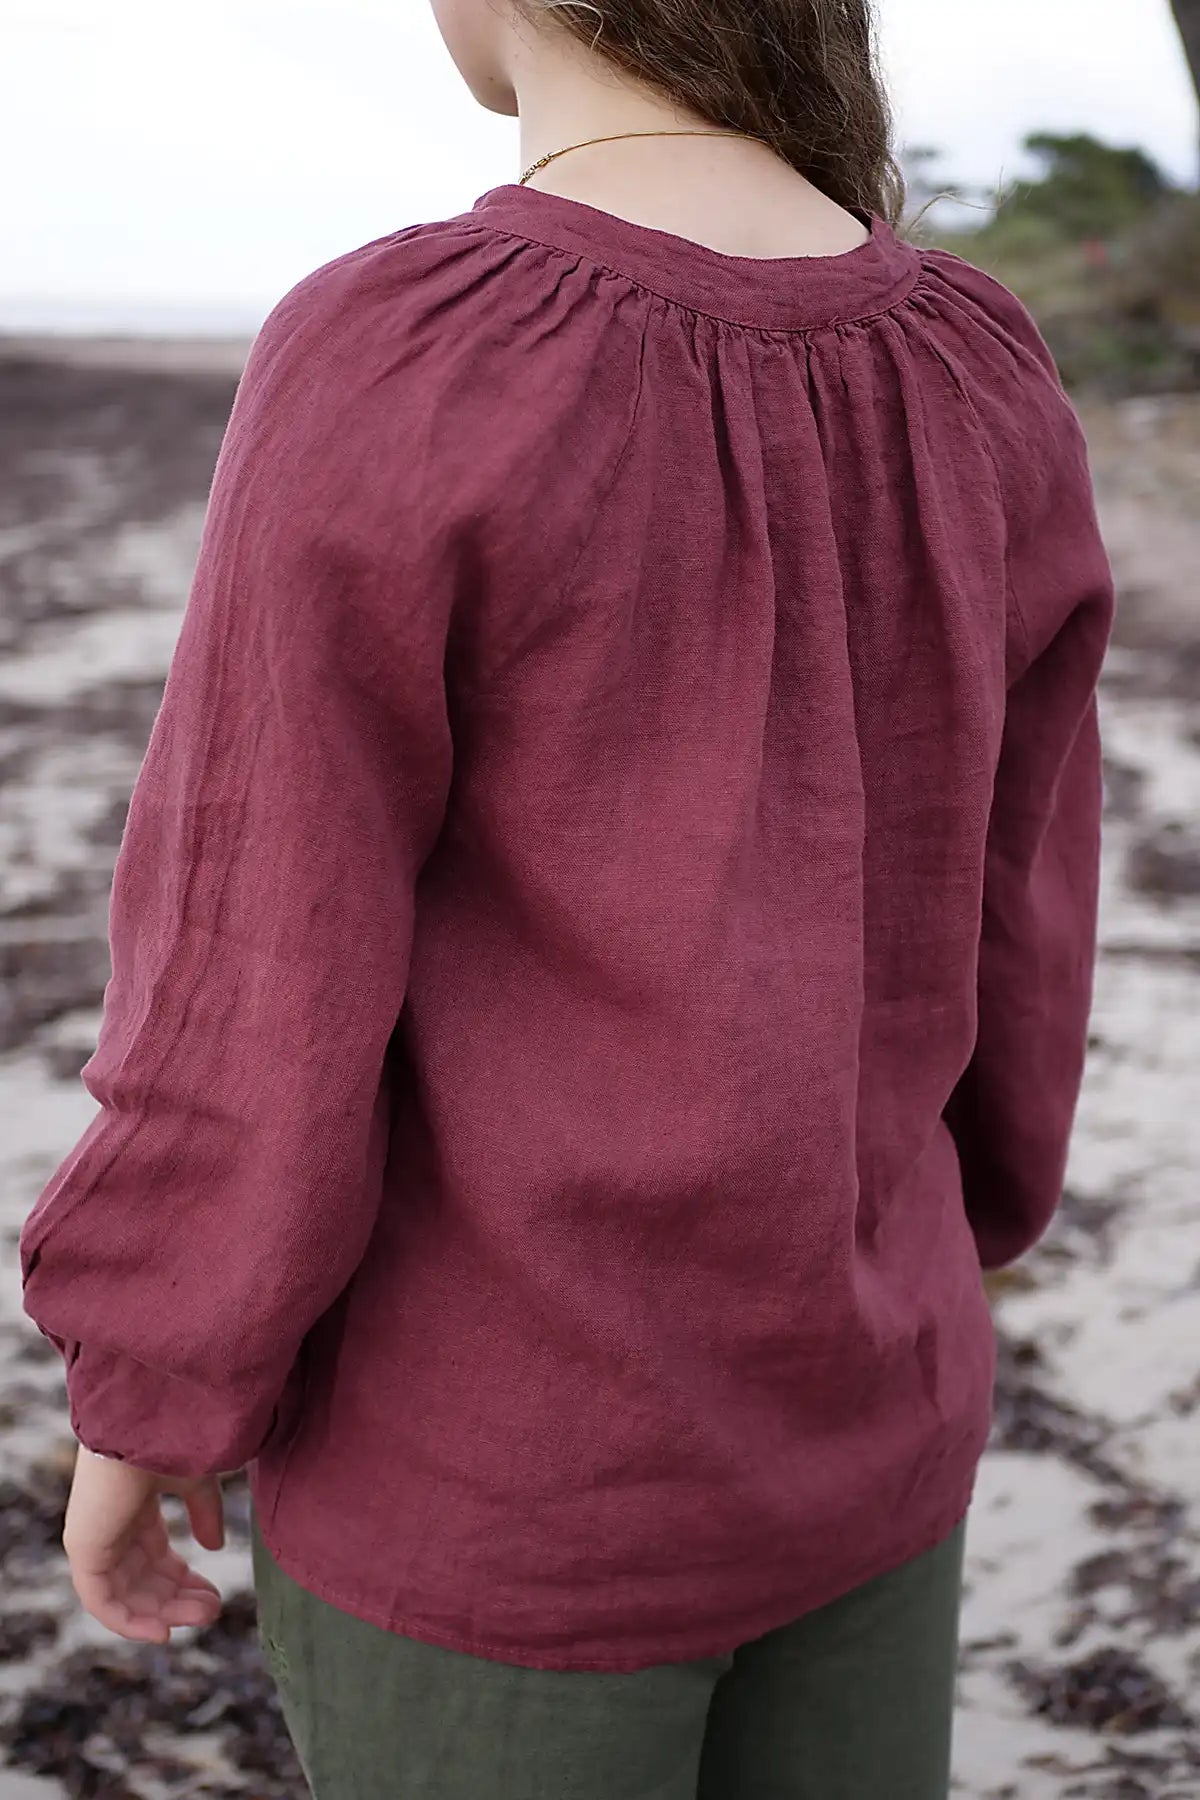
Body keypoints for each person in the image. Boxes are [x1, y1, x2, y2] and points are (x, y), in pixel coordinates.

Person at [18, 1, 1116, 1795]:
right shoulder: (982, 364)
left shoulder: (411, 350)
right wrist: (945, 1231)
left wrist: (156, 1375)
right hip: (874, 1410)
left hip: (505, 1486)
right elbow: (1023, 899)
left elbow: (260, 952)